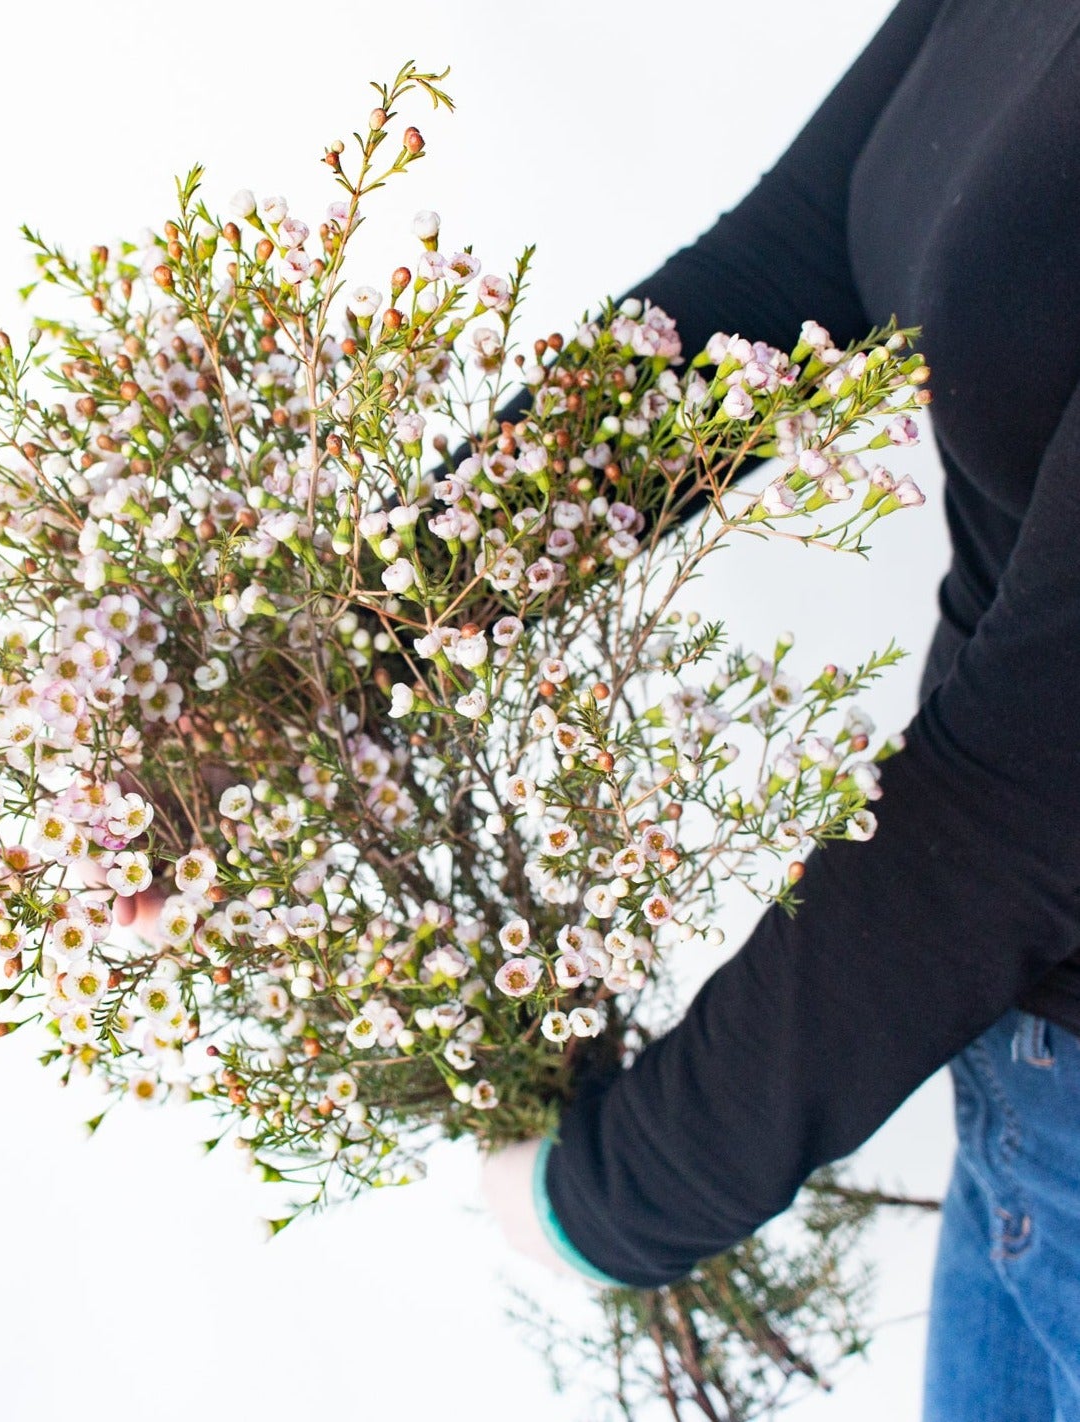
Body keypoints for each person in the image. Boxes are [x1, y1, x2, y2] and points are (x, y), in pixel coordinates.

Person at [478, 1, 1080, 1417]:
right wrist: (347, 636)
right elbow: (793, 263)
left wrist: (617, 1195)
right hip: (1018, 1072)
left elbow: (1025, 799)